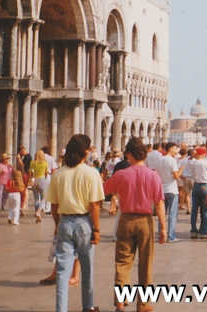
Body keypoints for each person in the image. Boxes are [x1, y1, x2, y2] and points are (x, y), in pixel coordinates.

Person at [104, 137, 166, 312]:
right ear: (145, 155)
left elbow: (106, 189)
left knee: (123, 262)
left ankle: (121, 302)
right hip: (145, 221)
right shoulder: (153, 175)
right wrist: (163, 227)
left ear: (129, 155)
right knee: (146, 263)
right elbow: (160, 203)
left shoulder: (122, 174)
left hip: (126, 220)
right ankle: (144, 303)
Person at [47, 134, 104, 312]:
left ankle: (61, 309)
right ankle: (88, 307)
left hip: (65, 221)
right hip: (84, 222)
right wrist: (97, 229)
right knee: (87, 269)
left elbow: (54, 206)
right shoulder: (91, 173)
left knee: (63, 273)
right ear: (85, 152)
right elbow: (94, 205)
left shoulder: (58, 174)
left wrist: (58, 225)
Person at [157, 143, 182, 242]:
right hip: (172, 189)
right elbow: (176, 176)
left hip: (162, 188)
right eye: (175, 148)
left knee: (162, 213)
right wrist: (181, 169)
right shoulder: (172, 160)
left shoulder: (160, 160)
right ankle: (171, 236)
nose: (177, 150)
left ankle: (161, 234)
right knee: (172, 214)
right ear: (170, 149)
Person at [188, 147, 207, 239]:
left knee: (194, 210)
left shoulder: (192, 163)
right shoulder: (206, 162)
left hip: (195, 186)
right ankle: (204, 231)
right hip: (204, 185)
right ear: (203, 154)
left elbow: (190, 173)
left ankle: (193, 230)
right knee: (205, 210)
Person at [30, 149, 50, 223]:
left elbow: (31, 172)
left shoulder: (33, 162)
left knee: (36, 198)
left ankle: (37, 213)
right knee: (43, 198)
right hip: (42, 180)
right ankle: (38, 212)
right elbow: (46, 173)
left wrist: (31, 180)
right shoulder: (45, 163)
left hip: (35, 180)